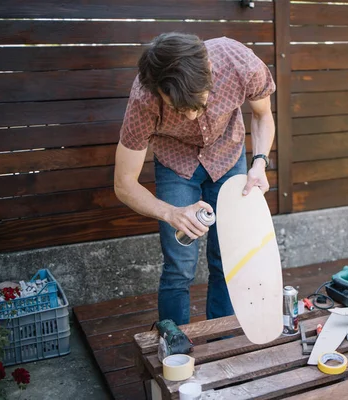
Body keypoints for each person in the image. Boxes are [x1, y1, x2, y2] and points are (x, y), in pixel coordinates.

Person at [114, 33, 276, 326]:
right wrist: (170, 212)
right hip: (176, 166)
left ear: (211, 73)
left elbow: (263, 115)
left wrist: (260, 163)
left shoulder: (239, 63)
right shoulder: (144, 99)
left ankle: (221, 344)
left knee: (228, 260)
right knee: (179, 267)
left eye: (197, 105)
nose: (189, 117)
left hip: (228, 156)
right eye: (178, 109)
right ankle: (174, 345)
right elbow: (124, 183)